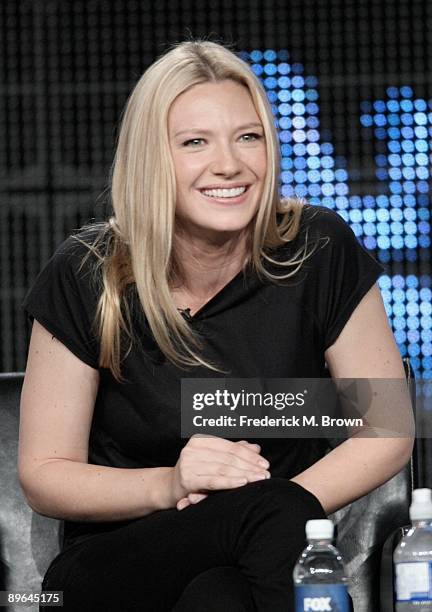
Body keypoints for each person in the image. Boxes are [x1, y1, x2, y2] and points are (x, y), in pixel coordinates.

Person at [18, 41, 413, 612]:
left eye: (248, 136)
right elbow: (44, 474)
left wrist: (274, 511)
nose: (229, 164)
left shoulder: (318, 249)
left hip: (268, 551)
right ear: (152, 158)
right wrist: (172, 484)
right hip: (120, 559)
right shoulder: (87, 272)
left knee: (221, 597)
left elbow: (385, 430)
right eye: (194, 142)